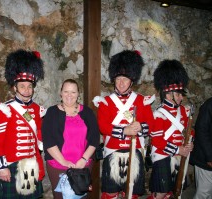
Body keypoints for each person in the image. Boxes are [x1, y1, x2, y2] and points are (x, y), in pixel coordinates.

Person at [93, 50, 155, 199]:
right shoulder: (105, 102)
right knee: (110, 193)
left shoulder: (141, 101)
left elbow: (152, 125)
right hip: (113, 152)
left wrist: (141, 127)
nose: (121, 83)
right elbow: (103, 126)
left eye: (125, 79)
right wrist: (124, 131)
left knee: (131, 193)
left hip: (135, 152)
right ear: (114, 79)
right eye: (118, 78)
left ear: (131, 81)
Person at [0, 49, 45, 198]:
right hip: (11, 166)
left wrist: (39, 163)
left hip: (31, 166)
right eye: (22, 86)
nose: (26, 91)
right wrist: (1, 168)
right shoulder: (4, 109)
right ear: (15, 87)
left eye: (30, 86)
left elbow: (38, 139)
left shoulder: (37, 109)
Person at [42, 78, 100, 199]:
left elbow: (94, 139)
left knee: (82, 196)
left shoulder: (87, 112)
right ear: (61, 92)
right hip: (58, 165)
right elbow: (48, 141)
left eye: (73, 92)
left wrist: (83, 160)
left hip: (83, 165)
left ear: (78, 94)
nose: (69, 95)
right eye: (66, 91)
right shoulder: (52, 112)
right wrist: (64, 162)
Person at [148, 59, 194, 199]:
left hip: (179, 156)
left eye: (181, 94)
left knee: (174, 192)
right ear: (169, 94)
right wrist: (178, 149)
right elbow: (157, 142)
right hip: (163, 156)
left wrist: (190, 142)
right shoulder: (158, 114)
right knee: (161, 193)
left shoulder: (184, 112)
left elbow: (189, 131)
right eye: (178, 94)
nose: (181, 97)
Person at [190, 58, 212, 199]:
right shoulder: (211, 105)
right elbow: (202, 131)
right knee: (203, 194)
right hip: (207, 159)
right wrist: (211, 156)